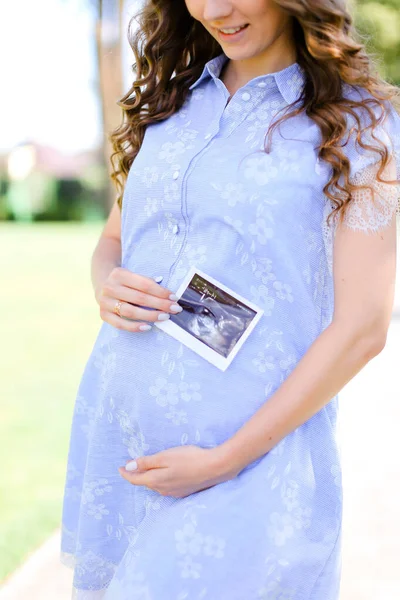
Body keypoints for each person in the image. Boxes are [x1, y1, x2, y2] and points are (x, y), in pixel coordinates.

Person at [60, 0, 400, 598]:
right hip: (125, 447)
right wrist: (105, 281)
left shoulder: (362, 124)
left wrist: (224, 461)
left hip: (248, 467)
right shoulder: (172, 101)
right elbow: (112, 240)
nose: (217, 9)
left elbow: (364, 328)